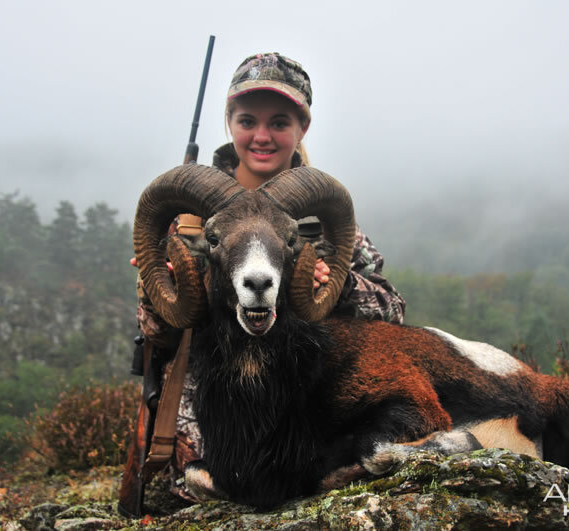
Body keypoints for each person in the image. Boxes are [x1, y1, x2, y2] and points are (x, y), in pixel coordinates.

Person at [132, 52, 406, 485]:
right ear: (230, 124)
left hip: (306, 420)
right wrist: (158, 288)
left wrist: (338, 285)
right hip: (205, 428)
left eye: (279, 122)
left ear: (302, 129)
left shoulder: (321, 219)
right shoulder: (186, 219)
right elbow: (157, 334)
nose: (262, 136)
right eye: (247, 121)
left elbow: (394, 310)